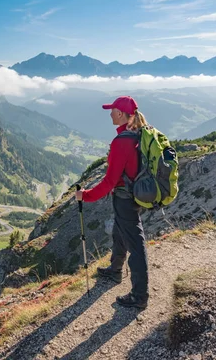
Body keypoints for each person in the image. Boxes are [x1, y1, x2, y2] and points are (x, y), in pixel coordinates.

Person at [74, 95, 149, 309]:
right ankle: (115, 270)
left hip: (125, 197)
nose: (109, 113)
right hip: (134, 194)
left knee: (135, 243)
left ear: (121, 114)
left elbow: (109, 181)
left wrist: (85, 195)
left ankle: (139, 296)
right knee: (119, 232)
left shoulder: (122, 142)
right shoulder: (136, 134)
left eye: (112, 110)